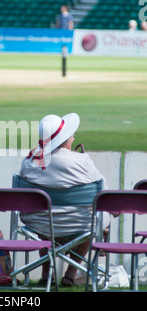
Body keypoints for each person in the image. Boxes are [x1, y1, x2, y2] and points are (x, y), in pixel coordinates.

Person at [19, 113, 109, 286]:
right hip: (78, 222)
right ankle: (71, 273)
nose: (74, 137)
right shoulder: (82, 160)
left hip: (40, 223)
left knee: (43, 216)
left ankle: (46, 273)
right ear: (66, 140)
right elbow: (103, 192)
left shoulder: (29, 161)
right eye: (71, 134)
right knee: (96, 219)